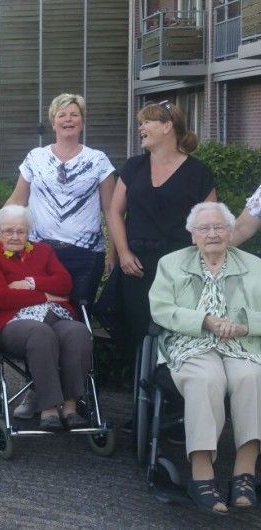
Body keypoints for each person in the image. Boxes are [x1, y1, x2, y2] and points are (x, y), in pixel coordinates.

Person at [149, 202, 261, 514]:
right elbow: (160, 309)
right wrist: (204, 321)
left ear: (230, 231)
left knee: (252, 378)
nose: (212, 234)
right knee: (205, 379)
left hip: (242, 344)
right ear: (192, 236)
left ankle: (244, 473)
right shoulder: (171, 264)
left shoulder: (254, 265)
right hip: (191, 342)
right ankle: (202, 475)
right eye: (204, 228)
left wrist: (245, 325)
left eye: (219, 227)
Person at [107, 100, 216, 361]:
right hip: (136, 266)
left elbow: (210, 222)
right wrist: (121, 253)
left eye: (147, 122)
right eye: (140, 122)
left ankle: (170, 394)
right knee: (137, 334)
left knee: (175, 332)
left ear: (168, 126)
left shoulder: (199, 172)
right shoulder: (133, 167)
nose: (141, 127)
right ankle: (140, 393)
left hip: (180, 268)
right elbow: (113, 212)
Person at [0, 205, 92, 431]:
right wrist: (46, 295)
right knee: (40, 334)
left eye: (21, 231)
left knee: (78, 332)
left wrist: (30, 284)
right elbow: (0, 297)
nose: (14, 236)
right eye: (8, 231)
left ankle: (70, 407)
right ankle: (48, 407)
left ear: (29, 232)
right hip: (12, 323)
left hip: (55, 316)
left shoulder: (44, 252)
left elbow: (65, 283)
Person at [5, 94, 115, 306]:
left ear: (82, 121)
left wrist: (115, 253)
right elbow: (18, 199)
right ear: (53, 122)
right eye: (62, 115)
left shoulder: (98, 160)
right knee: (42, 311)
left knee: (79, 317)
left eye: (74, 114)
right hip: (39, 252)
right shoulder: (35, 157)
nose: (68, 119)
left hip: (86, 256)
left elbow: (111, 210)